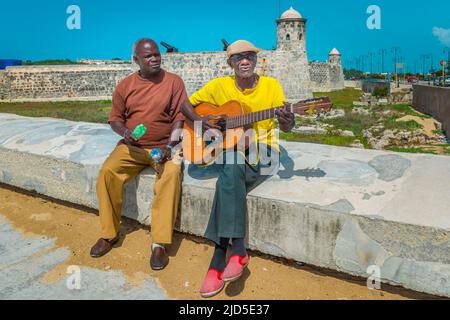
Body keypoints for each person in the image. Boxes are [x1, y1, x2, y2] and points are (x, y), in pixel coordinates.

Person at [181, 40, 295, 297]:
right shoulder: (218, 86)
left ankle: (220, 255)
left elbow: (287, 125)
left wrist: (289, 120)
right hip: (234, 153)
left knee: (229, 171)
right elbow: (186, 105)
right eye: (238, 58)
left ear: (257, 61)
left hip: (264, 153)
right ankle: (238, 251)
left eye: (249, 57)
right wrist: (205, 124)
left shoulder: (271, 85)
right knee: (231, 164)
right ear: (230, 63)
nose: (244, 61)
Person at [90, 38, 187, 271]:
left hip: (163, 147)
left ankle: (159, 244)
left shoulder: (173, 82)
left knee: (171, 173)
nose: (155, 58)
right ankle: (109, 234)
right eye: (148, 56)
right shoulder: (125, 85)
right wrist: (125, 132)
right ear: (136, 60)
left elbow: (179, 119)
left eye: (156, 54)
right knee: (107, 172)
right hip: (132, 148)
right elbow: (115, 119)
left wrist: (170, 146)